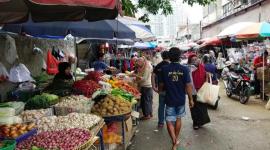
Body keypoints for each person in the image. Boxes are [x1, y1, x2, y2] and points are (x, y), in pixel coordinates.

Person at [158, 47, 194, 150]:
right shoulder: (184, 69)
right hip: (181, 99)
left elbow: (161, 83)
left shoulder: (165, 68)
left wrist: (160, 90)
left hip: (170, 99)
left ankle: (174, 140)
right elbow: (188, 85)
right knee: (178, 118)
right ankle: (175, 139)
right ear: (179, 56)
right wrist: (191, 99)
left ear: (169, 56)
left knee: (169, 120)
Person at [187, 53, 211, 130]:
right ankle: (195, 123)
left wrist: (207, 74)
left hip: (201, 89)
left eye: (195, 59)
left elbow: (203, 74)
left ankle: (201, 121)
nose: (194, 61)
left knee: (201, 106)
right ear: (190, 60)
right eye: (192, 60)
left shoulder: (201, 66)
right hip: (192, 90)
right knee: (194, 107)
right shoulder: (188, 68)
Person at [151, 51, 170, 127]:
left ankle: (161, 122)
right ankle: (169, 122)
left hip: (161, 89)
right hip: (169, 90)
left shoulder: (159, 65)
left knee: (161, 106)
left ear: (162, 56)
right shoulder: (170, 66)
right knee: (169, 106)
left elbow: (153, 75)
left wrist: (153, 86)